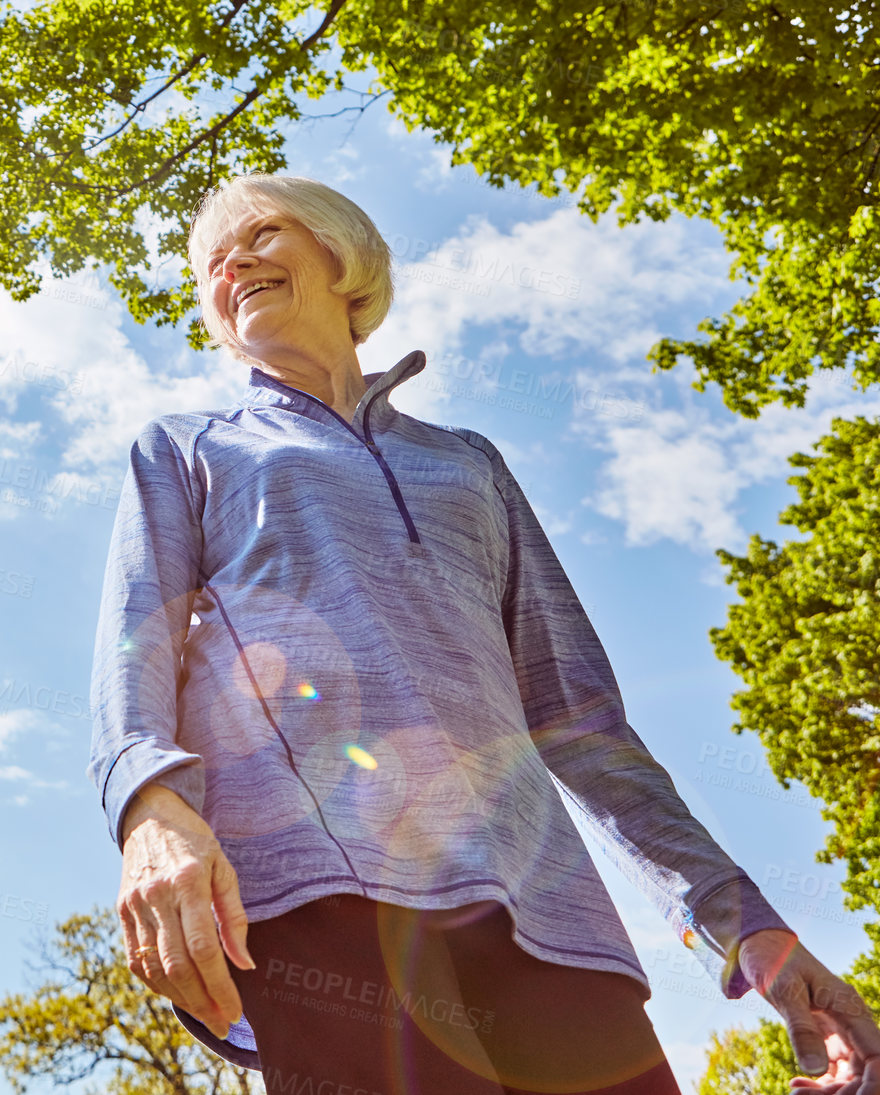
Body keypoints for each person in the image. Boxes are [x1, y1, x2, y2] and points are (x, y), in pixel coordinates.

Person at [88, 174, 880, 1094]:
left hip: (548, 911)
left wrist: (749, 927)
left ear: (343, 255)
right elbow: (134, 642)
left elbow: (585, 725)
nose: (232, 262)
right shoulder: (188, 448)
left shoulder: (469, 464)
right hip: (319, 892)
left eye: (262, 232)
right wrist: (149, 808)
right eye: (214, 262)